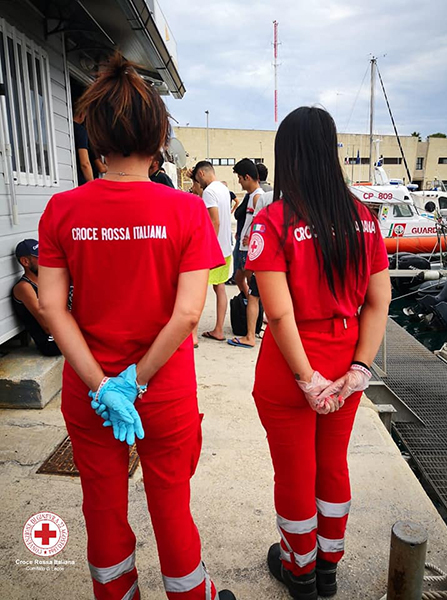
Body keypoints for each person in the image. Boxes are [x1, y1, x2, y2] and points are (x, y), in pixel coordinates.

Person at [38, 53, 236, 600]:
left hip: (91, 393)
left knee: (101, 506)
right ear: (158, 135)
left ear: (97, 137)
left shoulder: (61, 210)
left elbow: (52, 308)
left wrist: (103, 386)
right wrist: (135, 382)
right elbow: (188, 314)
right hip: (162, 390)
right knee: (170, 504)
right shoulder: (186, 211)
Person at [247, 107, 391, 599]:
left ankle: (300, 571)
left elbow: (279, 314)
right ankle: (328, 566)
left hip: (290, 366)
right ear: (331, 153)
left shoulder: (273, 221)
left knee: (295, 473)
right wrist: (360, 367)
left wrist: (306, 378)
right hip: (345, 359)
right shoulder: (364, 218)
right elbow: (379, 301)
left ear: (285, 155)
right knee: (332, 465)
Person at [227, 190, 274, 349]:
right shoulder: (297, 200)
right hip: (283, 257)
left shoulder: (264, 198)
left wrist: (252, 244)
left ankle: (250, 336)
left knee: (254, 295)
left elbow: (257, 225)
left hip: (266, 256)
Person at [191, 161, 232, 343]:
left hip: (213, 248)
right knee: (219, 288)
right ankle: (218, 330)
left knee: (198, 291)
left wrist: (208, 246)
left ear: (201, 173)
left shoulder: (209, 192)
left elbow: (215, 221)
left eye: (197, 180)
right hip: (226, 248)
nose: (198, 185)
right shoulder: (223, 188)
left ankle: (193, 336)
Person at [11, 239, 61, 356]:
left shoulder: (44, 281)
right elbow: (47, 326)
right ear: (25, 261)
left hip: (63, 334)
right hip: (50, 342)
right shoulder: (24, 287)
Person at [232, 159, 264, 298]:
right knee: (239, 277)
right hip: (243, 246)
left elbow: (261, 223)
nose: (239, 182)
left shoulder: (258, 197)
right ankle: (248, 302)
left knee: (252, 283)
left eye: (240, 178)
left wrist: (252, 239)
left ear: (247, 177)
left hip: (249, 248)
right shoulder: (251, 196)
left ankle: (256, 305)